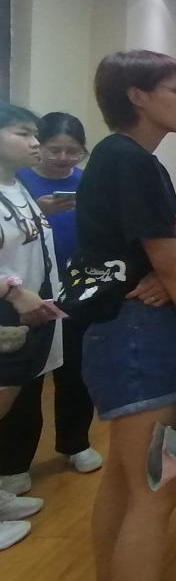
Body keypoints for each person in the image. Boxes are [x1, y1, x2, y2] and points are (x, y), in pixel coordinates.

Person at [68, 51, 176, 581]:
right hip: (136, 333)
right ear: (137, 95)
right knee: (156, 488)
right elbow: (172, 258)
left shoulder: (134, 159)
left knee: (127, 479)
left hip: (132, 330)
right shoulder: (127, 159)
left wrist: (169, 265)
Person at [1, 113, 100, 505]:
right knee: (22, 383)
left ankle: (75, 443)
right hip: (21, 300)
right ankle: (14, 464)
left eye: (71, 151)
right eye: (52, 148)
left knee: (74, 371)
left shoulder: (83, 182)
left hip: (71, 290)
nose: (61, 158)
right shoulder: (21, 181)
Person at [0, 104, 63, 551]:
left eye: (35, 134)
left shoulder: (17, 186)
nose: (35, 143)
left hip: (28, 318)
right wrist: (10, 290)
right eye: (23, 133)